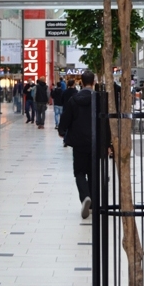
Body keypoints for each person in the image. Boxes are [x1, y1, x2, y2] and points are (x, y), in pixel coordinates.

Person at [58, 71, 95, 219]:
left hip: (79, 142)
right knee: (93, 173)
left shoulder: (74, 99)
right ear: (93, 82)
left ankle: (85, 197)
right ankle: (92, 203)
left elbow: (66, 117)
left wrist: (62, 131)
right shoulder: (98, 99)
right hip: (94, 141)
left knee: (79, 172)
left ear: (81, 82)